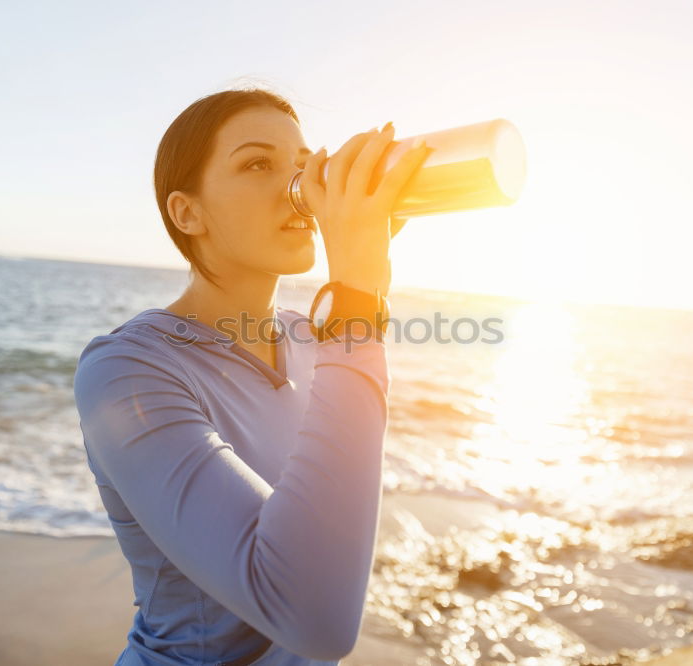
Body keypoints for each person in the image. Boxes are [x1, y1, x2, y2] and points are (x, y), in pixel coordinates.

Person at [73, 87, 430, 665]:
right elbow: (314, 618)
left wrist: (361, 291)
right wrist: (357, 297)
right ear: (187, 212)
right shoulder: (128, 369)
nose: (296, 187)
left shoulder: (316, 339)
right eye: (258, 163)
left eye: (302, 164)